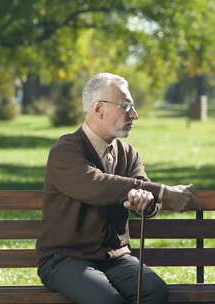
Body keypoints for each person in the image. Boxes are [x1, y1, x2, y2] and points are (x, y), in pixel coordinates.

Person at [36, 72, 199, 304]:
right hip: (65, 259)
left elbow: (148, 203)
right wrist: (162, 192)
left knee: (155, 292)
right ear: (98, 109)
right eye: (126, 106)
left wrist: (144, 201)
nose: (135, 115)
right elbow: (95, 185)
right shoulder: (66, 150)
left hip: (116, 258)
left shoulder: (129, 153)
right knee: (108, 302)